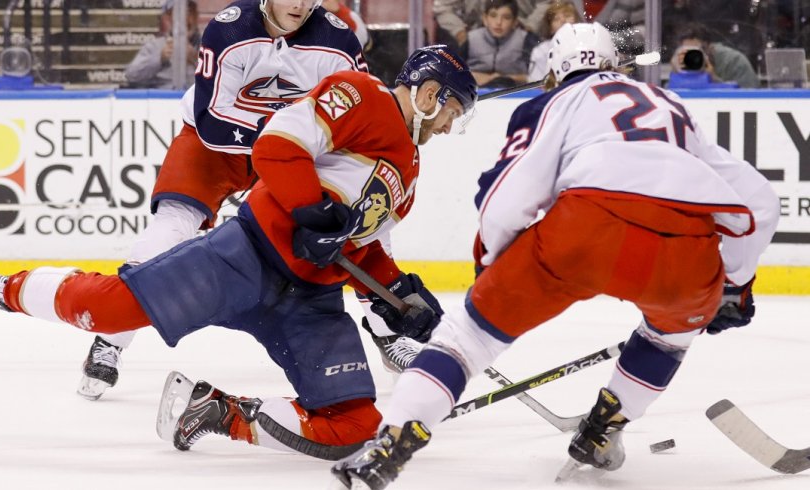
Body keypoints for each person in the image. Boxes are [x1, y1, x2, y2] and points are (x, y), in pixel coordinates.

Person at [0, 45, 478, 457]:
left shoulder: (409, 169)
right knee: (106, 310)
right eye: (454, 111)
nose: (452, 126)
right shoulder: (361, 95)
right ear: (430, 95)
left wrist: (398, 295)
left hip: (310, 302)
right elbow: (278, 144)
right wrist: (309, 210)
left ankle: (215, 410)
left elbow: (359, 247)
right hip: (244, 256)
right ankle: (5, 289)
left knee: (353, 426)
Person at [331, 22, 779, 489]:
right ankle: (603, 431)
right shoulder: (671, 105)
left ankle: (392, 442)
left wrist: (492, 272)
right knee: (670, 336)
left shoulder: (553, 102)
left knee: (467, 339)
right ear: (611, 62)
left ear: (555, 68)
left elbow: (509, 198)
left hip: (586, 229)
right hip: (685, 248)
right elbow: (759, 206)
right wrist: (732, 288)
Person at [77, 0, 372, 401]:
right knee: (170, 229)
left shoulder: (338, 42)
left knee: (361, 214)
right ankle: (111, 337)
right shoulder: (229, 29)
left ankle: (386, 330)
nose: (300, 4)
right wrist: (283, 137)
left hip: (297, 152)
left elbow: (360, 119)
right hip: (218, 144)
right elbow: (213, 122)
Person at [124, 0, 199, 89]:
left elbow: (218, 83)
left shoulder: (210, 46)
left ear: (196, 16)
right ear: (169, 17)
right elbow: (131, 75)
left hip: (196, 100)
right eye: (178, 12)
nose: (185, 18)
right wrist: (160, 58)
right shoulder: (154, 46)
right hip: (161, 99)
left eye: (189, 12)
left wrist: (196, 59)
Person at [465, 0, 538, 88]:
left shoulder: (526, 39)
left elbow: (537, 76)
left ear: (515, 22)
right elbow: (455, 71)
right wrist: (480, 77)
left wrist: (506, 78)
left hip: (515, 93)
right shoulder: (471, 38)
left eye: (506, 17)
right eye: (493, 16)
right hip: (474, 92)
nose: (499, 22)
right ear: (485, 18)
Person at [669, 22, 760, 89]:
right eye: (687, 52)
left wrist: (713, 79)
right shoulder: (679, 61)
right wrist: (676, 74)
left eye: (697, 52)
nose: (692, 57)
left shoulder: (734, 61)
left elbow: (751, 97)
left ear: (710, 48)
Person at [527, 0, 581, 81]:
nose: (563, 20)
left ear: (577, 21)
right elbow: (536, 84)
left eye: (567, 16)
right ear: (550, 28)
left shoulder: (589, 43)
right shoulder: (541, 51)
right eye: (556, 19)